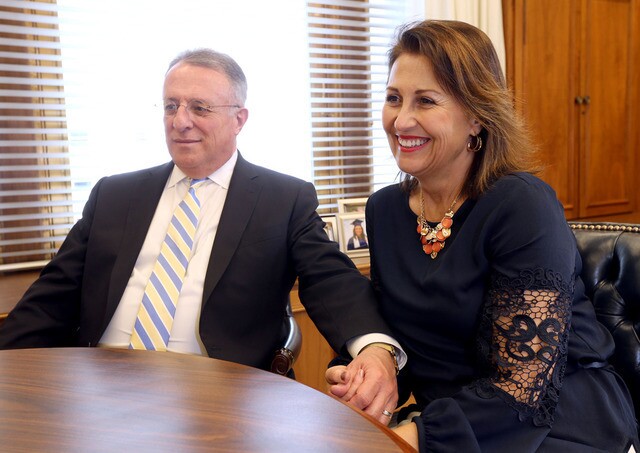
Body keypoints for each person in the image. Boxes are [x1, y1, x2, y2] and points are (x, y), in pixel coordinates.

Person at [0, 48, 402, 424]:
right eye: (171, 106)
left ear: (239, 119)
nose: (180, 120)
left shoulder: (282, 199)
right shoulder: (115, 194)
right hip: (96, 389)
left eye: (199, 108)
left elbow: (329, 279)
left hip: (219, 397)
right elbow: (50, 298)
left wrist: (373, 347)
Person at [326, 20, 639, 452]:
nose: (401, 119)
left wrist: (408, 438)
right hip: (452, 421)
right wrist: (366, 370)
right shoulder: (384, 209)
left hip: (556, 424)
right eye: (393, 98)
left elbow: (525, 389)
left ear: (476, 117)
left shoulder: (522, 204)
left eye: (426, 101)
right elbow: (413, 336)